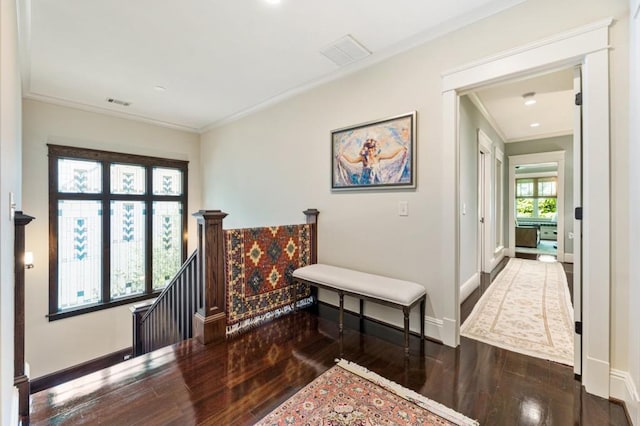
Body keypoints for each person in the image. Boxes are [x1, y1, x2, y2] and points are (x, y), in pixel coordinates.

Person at [341, 138, 407, 184]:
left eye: (373, 150)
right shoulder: (363, 158)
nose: (371, 152)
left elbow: (390, 155)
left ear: (375, 150)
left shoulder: (378, 157)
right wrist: (342, 155)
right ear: (367, 150)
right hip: (365, 182)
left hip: (376, 180)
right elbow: (352, 160)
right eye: (369, 151)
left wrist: (400, 149)